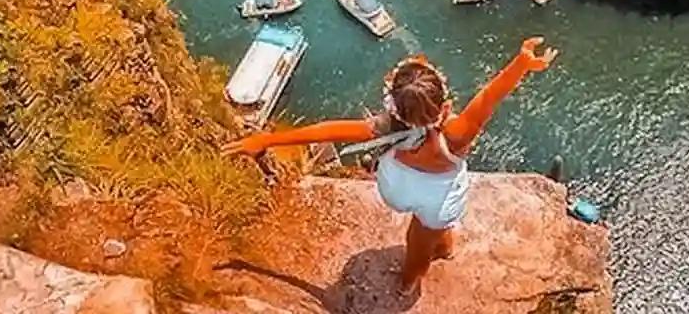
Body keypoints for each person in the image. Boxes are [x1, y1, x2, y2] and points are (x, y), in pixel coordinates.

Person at [225, 36, 558, 292]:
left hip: (398, 188)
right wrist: (521, 63)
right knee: (422, 238)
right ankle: (409, 281)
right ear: (445, 106)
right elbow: (489, 95)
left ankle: (434, 255)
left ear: (395, 107)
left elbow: (325, 128)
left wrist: (266, 139)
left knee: (426, 233)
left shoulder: (386, 128)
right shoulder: (456, 133)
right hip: (440, 198)